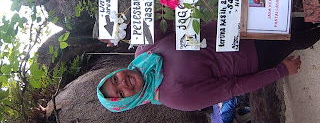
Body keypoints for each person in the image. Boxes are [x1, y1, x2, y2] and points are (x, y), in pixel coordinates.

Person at [97, 18, 319, 112]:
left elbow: (165, 18)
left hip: (237, 26)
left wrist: (121, 28)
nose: (123, 83)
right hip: (255, 56)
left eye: (115, 79)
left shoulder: (143, 50)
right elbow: (234, 88)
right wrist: (280, 71)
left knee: (294, 21)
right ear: (128, 102)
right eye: (120, 92)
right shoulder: (174, 97)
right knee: (301, 37)